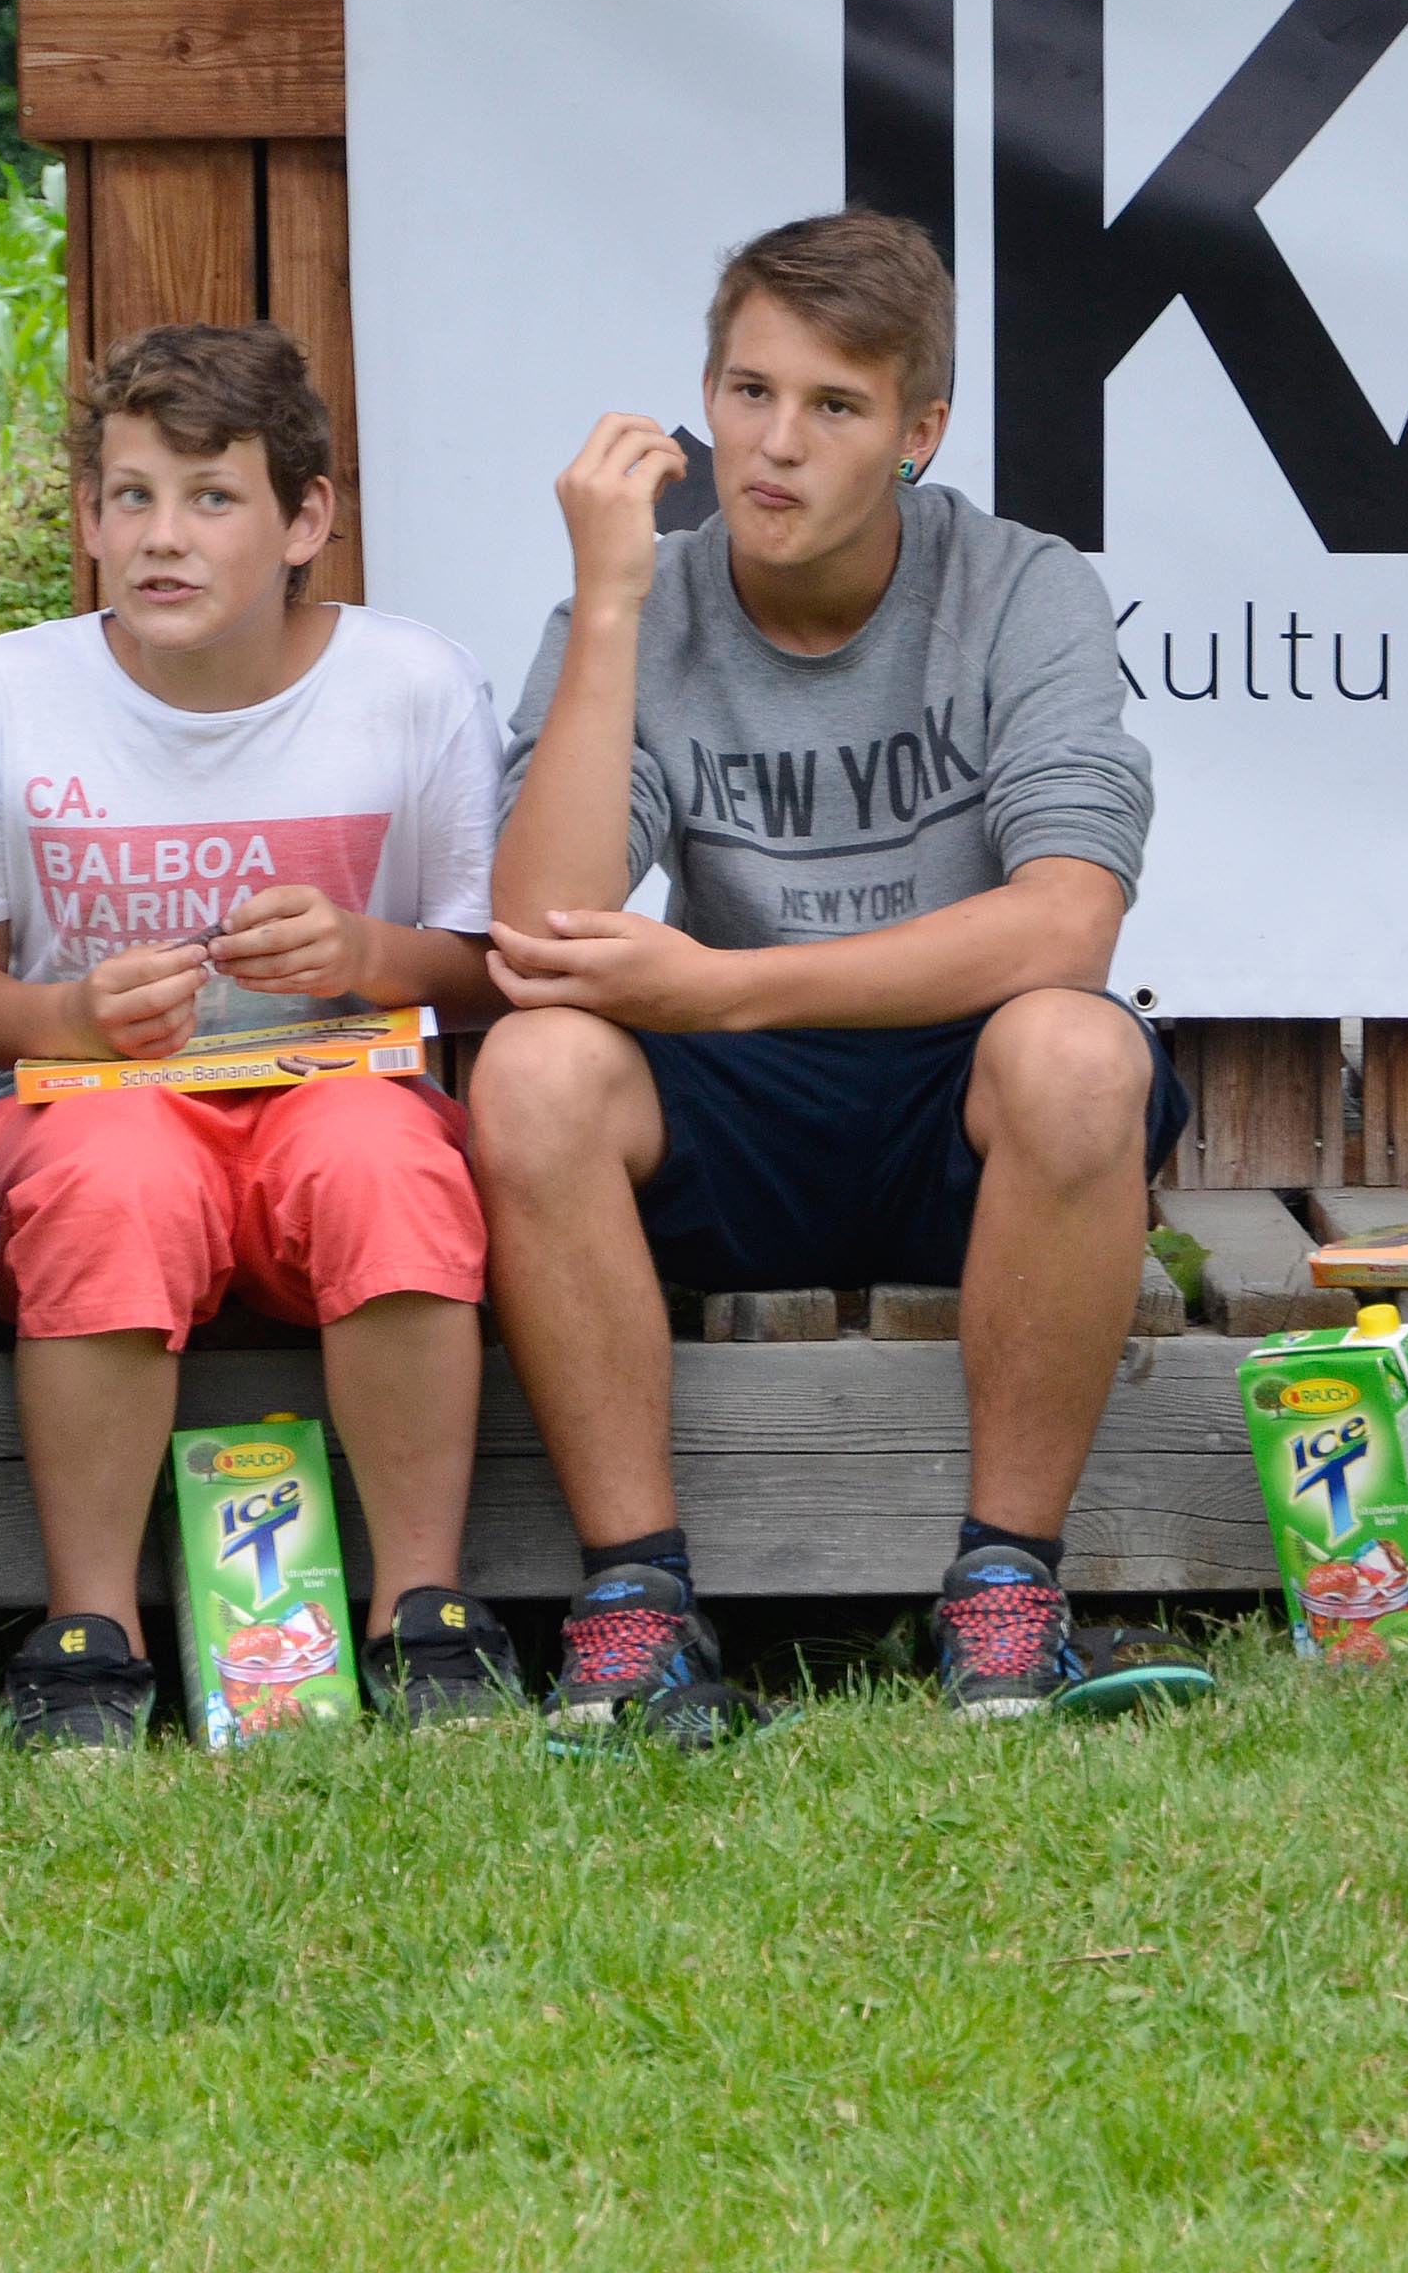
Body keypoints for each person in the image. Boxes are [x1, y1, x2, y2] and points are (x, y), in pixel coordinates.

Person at [472, 209, 1202, 1747]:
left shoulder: (1021, 586)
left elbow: (1068, 924)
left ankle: (1006, 1590)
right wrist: (609, 607)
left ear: (917, 434)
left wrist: (726, 990)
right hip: (740, 1121)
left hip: (956, 1107)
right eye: (749, 392)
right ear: (706, 399)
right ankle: (637, 1601)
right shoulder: (638, 598)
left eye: (836, 406)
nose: (777, 444)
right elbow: (542, 929)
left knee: (1078, 1047)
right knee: (532, 1068)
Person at [0, 323, 517, 1753]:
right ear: (87, 518)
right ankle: (89, 1629)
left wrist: (367, 956)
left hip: (338, 1094)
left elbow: (489, 967)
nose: (161, 537)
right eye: (130, 497)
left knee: (386, 1166)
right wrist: (66, 1016)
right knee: (110, 1177)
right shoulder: (10, 694)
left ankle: (422, 1606)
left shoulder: (412, 686)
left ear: (306, 520)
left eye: (212, 497)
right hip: (98, 1106)